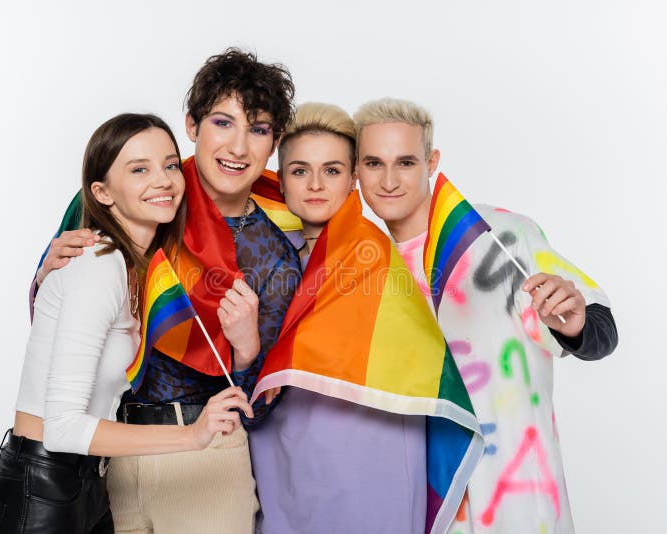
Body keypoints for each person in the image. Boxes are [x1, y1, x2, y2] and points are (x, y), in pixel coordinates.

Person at [33, 49, 301, 533]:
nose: (239, 147)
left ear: (275, 143)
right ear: (192, 126)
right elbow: (55, 325)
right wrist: (45, 275)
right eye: (223, 122)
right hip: (110, 455)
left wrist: (246, 348)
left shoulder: (276, 254)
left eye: (258, 130)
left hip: (207, 458)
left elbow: (262, 405)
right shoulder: (135, 195)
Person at [0, 113, 253, 534]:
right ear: (102, 193)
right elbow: (63, 428)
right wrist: (192, 437)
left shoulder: (129, 267)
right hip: (40, 492)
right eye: (139, 169)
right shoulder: (96, 264)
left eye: (171, 165)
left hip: (89, 485)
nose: (162, 180)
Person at [353, 97, 619, 533]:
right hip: (428, 503)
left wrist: (574, 323)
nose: (388, 180)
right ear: (356, 172)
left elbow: (601, 331)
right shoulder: (363, 266)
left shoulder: (502, 236)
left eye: (404, 161)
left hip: (515, 499)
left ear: (431, 162)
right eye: (372, 163)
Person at [249, 102, 481, 534]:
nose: (316, 184)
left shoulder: (381, 257)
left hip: (373, 453)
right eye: (300, 171)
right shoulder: (260, 256)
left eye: (332, 170)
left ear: (353, 177)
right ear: (280, 181)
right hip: (280, 452)